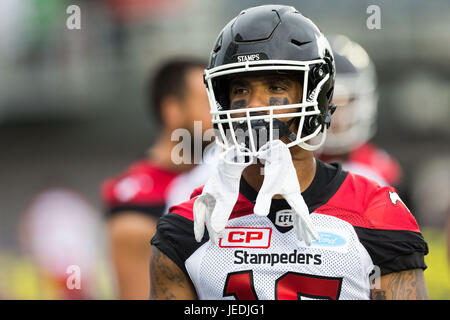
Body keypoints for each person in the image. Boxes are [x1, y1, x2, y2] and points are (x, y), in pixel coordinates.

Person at [150, 5, 429, 300]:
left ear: (315, 96)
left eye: (276, 85)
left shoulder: (377, 214)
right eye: (240, 90)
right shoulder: (186, 227)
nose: (255, 105)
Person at [101, 57, 212, 299]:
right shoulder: (138, 204)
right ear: (172, 110)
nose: (219, 115)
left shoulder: (223, 175)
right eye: (208, 102)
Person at [318, 35, 402, 188]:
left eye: (345, 102)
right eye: (327, 101)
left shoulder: (379, 168)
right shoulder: (292, 162)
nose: (336, 114)